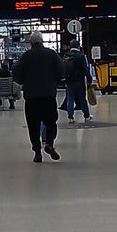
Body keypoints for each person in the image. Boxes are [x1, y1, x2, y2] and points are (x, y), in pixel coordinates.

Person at [12, 31, 62, 162]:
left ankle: (37, 152)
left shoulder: (26, 56)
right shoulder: (52, 54)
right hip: (48, 95)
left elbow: (16, 71)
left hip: (32, 97)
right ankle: (49, 143)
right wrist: (54, 82)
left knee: (33, 125)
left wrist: (23, 81)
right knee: (51, 122)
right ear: (42, 41)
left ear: (31, 43)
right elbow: (61, 70)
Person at [62, 40, 94, 126]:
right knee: (82, 99)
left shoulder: (66, 56)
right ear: (78, 46)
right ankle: (87, 116)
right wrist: (89, 79)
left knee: (70, 99)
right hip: (79, 82)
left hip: (69, 82)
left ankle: (70, 117)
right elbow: (85, 69)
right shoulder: (81, 56)